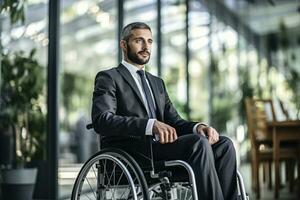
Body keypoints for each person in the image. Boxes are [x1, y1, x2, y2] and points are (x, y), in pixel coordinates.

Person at [92, 22, 238, 200]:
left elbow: (174, 121)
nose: (146, 47)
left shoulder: (156, 83)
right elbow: (102, 120)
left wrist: (197, 127)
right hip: (134, 152)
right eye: (139, 41)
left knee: (224, 145)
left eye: (150, 41)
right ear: (124, 44)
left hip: (161, 149)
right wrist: (150, 125)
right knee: (198, 144)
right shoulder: (109, 77)